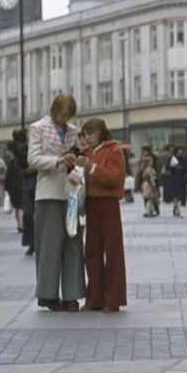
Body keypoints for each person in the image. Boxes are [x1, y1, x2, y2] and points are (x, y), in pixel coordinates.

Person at [28, 93, 86, 312]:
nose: (65, 118)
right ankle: (47, 294)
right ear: (54, 110)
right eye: (62, 114)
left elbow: (79, 153)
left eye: (69, 115)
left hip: (71, 191)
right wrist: (58, 160)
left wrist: (75, 159)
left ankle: (72, 295)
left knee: (73, 243)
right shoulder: (38, 128)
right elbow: (32, 159)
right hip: (48, 193)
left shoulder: (73, 131)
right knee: (49, 245)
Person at [79, 118, 127, 313]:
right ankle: (94, 298)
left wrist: (92, 167)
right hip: (91, 203)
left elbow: (115, 178)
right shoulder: (86, 152)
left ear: (100, 133)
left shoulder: (113, 150)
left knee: (113, 250)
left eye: (90, 134)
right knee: (92, 251)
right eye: (85, 135)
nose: (87, 138)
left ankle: (113, 299)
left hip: (108, 202)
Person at [4, 135, 25, 232]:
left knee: (18, 207)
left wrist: (6, 187)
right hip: (22, 185)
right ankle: (21, 224)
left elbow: (8, 175)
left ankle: (19, 224)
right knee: (21, 206)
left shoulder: (12, 162)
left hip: (13, 187)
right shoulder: (22, 161)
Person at [165, 145, 187, 217]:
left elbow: (186, 167)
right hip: (174, 178)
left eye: (182, 150)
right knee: (175, 194)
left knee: (179, 195)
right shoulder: (172, 157)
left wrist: (182, 167)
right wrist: (174, 168)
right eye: (180, 150)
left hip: (181, 178)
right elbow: (167, 167)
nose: (181, 151)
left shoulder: (183, 158)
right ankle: (178, 210)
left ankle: (175, 207)